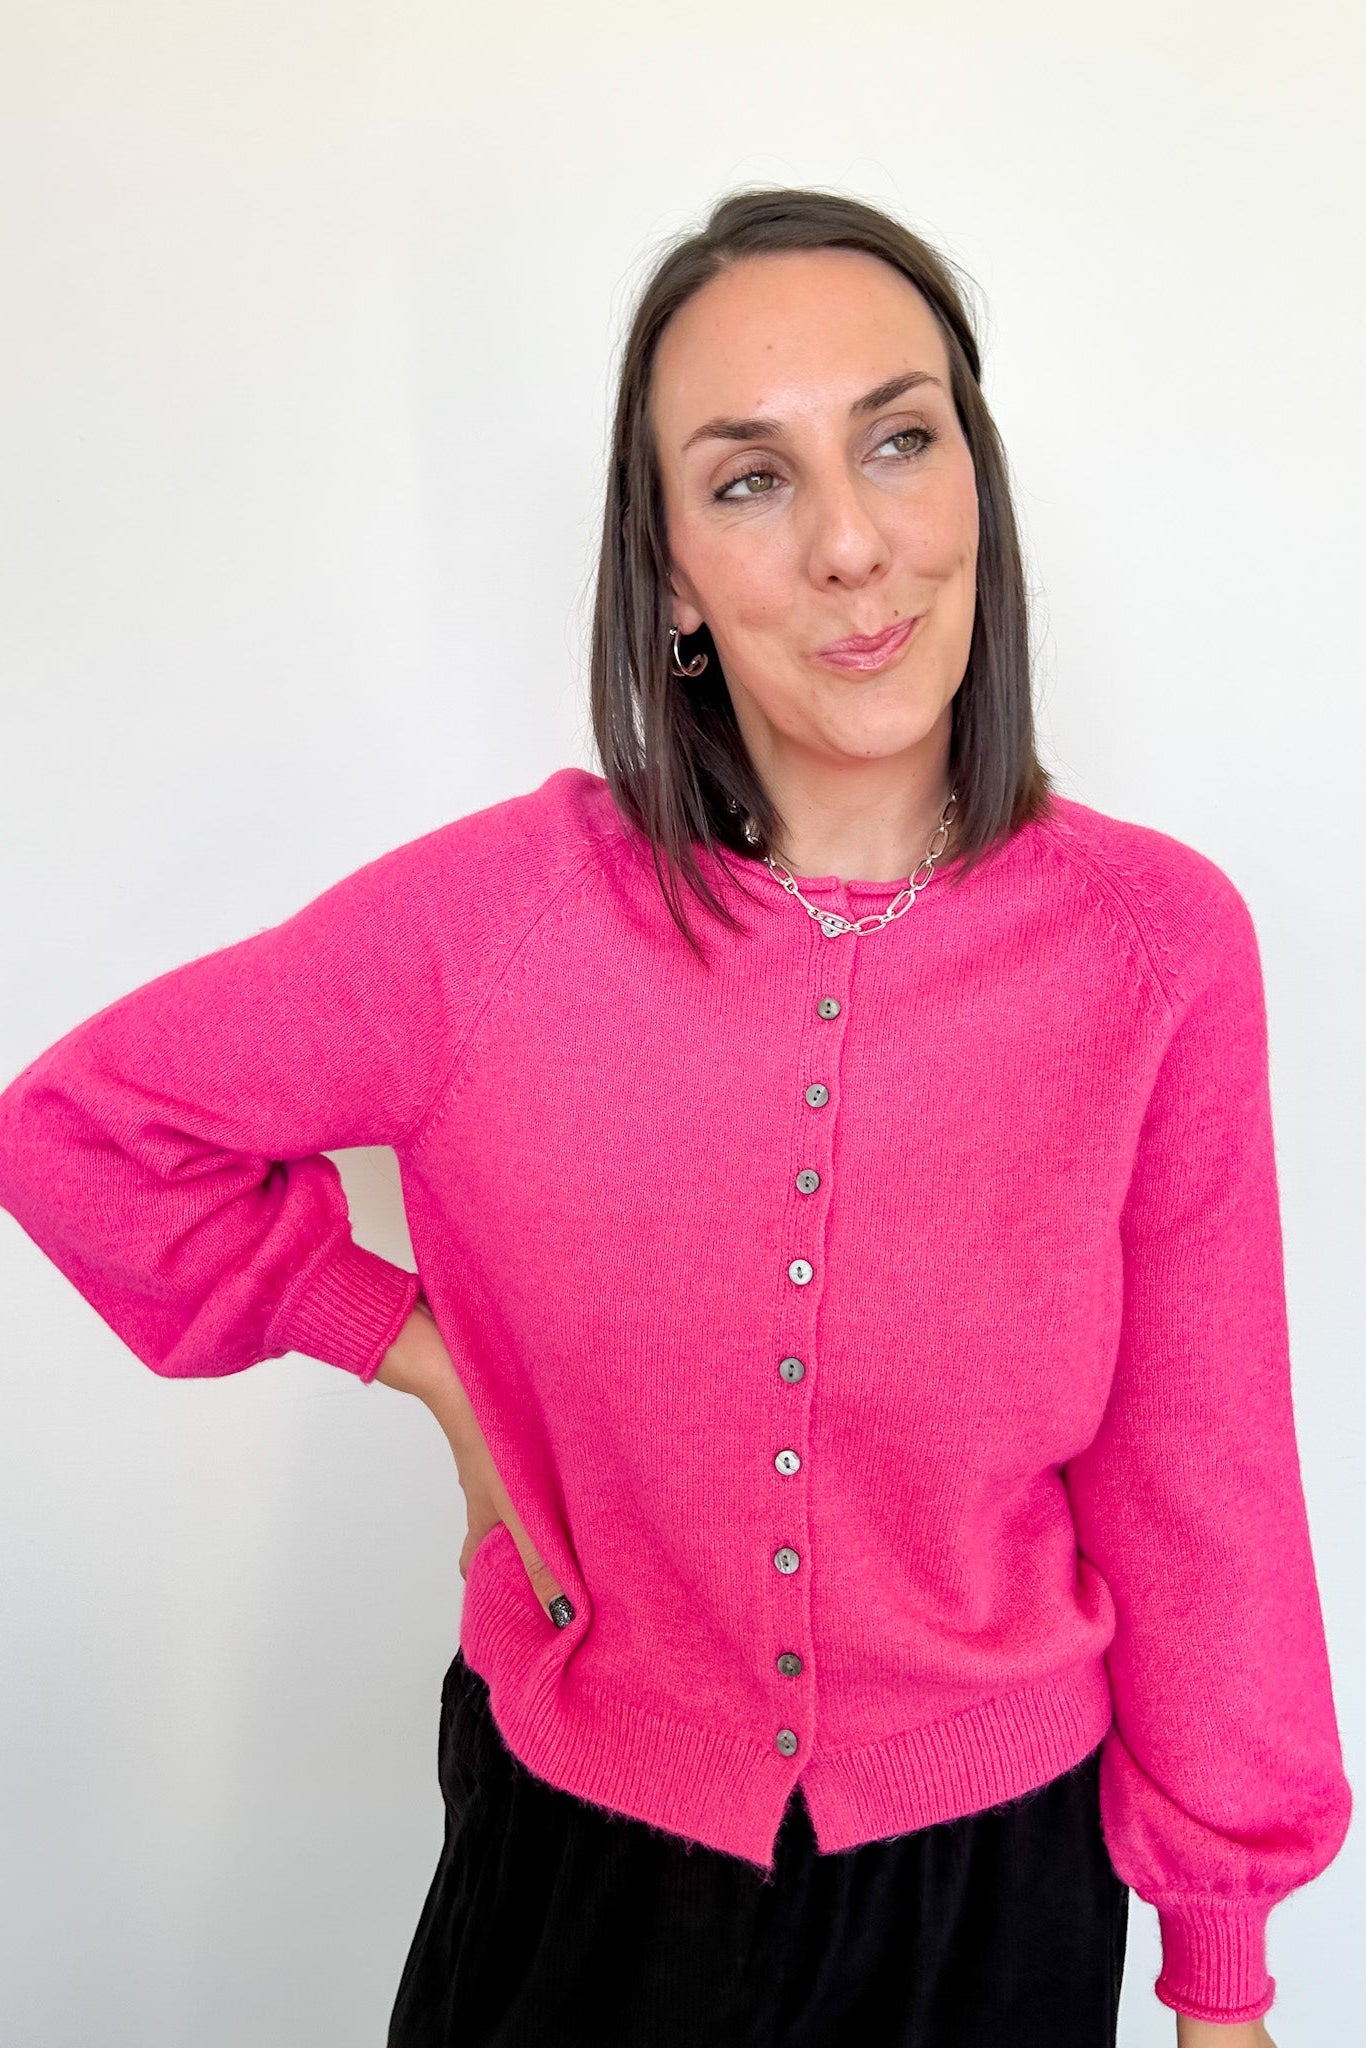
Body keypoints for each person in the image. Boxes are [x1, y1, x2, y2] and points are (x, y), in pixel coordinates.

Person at [0, 187, 1351, 2048]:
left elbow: (1196, 1476)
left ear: (977, 480)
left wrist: (1220, 1973)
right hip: (580, 1861)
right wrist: (423, 1356)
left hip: (989, 1899)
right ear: (671, 578)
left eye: (899, 441)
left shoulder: (1153, 948)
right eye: (749, 481)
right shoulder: (497, 922)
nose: (851, 543)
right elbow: (80, 1130)